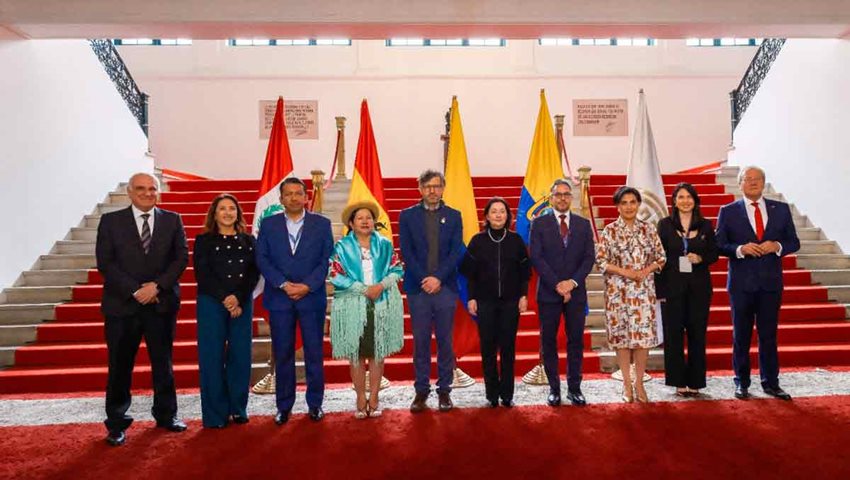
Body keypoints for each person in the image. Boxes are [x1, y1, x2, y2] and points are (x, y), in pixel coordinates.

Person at [96, 172, 189, 446]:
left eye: (152, 188)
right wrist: (135, 290)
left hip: (160, 304)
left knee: (164, 364)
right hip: (122, 306)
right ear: (129, 192)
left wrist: (156, 287)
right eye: (141, 189)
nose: (148, 193)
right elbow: (106, 262)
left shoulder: (172, 220)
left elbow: (180, 258)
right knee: (120, 366)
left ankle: (166, 415)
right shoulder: (111, 221)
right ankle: (116, 423)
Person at [716, 166, 800, 401]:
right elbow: (719, 244)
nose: (753, 182)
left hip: (770, 284)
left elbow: (794, 242)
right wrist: (740, 249)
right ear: (740, 183)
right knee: (740, 336)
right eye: (748, 179)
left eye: (757, 179)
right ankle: (741, 382)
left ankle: (771, 383)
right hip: (741, 285)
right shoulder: (728, 211)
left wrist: (778, 246)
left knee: (769, 336)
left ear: (763, 183)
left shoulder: (781, 209)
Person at [256, 177, 334, 424]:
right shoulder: (268, 225)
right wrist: (283, 284)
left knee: (314, 352)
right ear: (281, 199)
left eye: (298, 193)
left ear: (305, 197)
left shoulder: (321, 224)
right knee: (283, 353)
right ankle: (284, 406)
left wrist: (308, 285)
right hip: (280, 298)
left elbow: (326, 259)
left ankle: (315, 404)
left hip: (311, 298)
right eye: (288, 194)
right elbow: (262, 259)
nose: (293, 197)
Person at [329, 201, 405, 418]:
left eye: (369, 217)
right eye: (360, 218)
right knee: (356, 354)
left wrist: (380, 286)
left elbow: (397, 269)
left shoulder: (385, 245)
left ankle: (374, 396)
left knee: (377, 353)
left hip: (381, 305)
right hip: (353, 306)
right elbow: (335, 274)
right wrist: (363, 289)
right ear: (351, 223)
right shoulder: (342, 247)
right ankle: (360, 395)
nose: (365, 221)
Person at [398, 169, 464, 413]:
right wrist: (425, 279)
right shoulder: (407, 216)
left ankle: (444, 391)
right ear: (420, 189)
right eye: (427, 187)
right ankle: (421, 391)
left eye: (436, 186)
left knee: (446, 342)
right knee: (421, 342)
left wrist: (438, 278)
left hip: (445, 287)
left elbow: (456, 251)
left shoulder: (454, 216)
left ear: (443, 188)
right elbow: (406, 250)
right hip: (418, 289)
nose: (432, 191)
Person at [193, 193, 259, 427]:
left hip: (242, 303)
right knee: (211, 357)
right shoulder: (204, 241)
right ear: (214, 213)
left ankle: (238, 408)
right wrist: (226, 298)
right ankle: (214, 415)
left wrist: (238, 299)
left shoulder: (249, 241)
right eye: (223, 208)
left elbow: (253, 273)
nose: (228, 212)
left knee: (240, 357)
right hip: (212, 302)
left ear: (238, 214)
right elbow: (203, 274)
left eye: (233, 208)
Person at [595, 186, 666, 403]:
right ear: (617, 206)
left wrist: (646, 270)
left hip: (643, 291)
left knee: (642, 340)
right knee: (622, 340)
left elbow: (661, 257)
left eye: (632, 202)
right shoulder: (609, 231)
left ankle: (639, 384)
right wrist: (624, 271)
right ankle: (626, 383)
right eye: (624, 203)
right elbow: (601, 261)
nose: (628, 207)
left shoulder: (649, 229)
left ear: (638, 204)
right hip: (618, 293)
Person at [529, 179, 596, 407]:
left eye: (567, 194)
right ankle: (554, 389)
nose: (563, 198)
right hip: (549, 292)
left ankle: (574, 388)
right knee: (548, 341)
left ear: (572, 197)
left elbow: (589, 258)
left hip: (576, 294)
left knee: (575, 341)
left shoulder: (583, 224)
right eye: (558, 194)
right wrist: (558, 284)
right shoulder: (539, 224)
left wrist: (572, 283)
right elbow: (536, 257)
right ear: (551, 197)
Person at [460, 197, 531, 408]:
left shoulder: (516, 240)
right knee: (488, 348)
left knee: (508, 348)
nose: (498, 215)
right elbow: (469, 274)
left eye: (502, 211)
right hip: (485, 302)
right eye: (494, 211)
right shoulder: (477, 241)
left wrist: (523, 296)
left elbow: (524, 272)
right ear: (487, 216)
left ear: (508, 216)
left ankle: (507, 393)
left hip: (510, 302)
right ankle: (491, 392)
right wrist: (471, 298)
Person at [655, 183, 718, 397]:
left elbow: (714, 254)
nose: (685, 201)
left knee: (697, 334)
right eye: (680, 197)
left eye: (689, 197)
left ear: (695, 200)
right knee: (673, 336)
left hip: (699, 288)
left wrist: (701, 258)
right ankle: (677, 381)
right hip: (672, 288)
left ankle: (696, 381)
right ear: (674, 201)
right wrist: (659, 290)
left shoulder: (706, 225)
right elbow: (658, 256)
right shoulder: (664, 225)